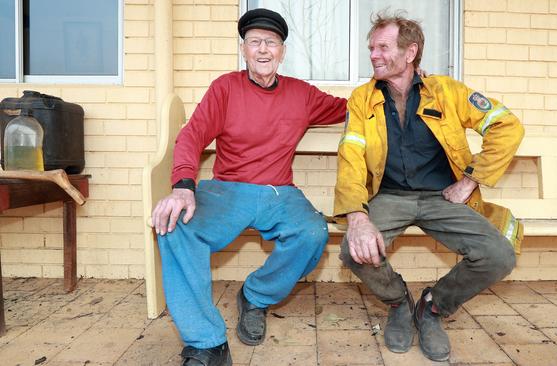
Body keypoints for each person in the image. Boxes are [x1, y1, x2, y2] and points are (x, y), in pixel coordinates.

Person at [151, 8, 347, 366]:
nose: (262, 50)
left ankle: (255, 296)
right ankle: (207, 342)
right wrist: (182, 185)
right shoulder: (225, 88)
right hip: (228, 189)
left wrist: (392, 86)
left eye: (270, 42)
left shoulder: (302, 95)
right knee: (173, 223)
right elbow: (191, 136)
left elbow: (352, 108)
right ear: (243, 48)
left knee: (313, 232)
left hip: (278, 193)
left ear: (282, 51)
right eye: (254, 41)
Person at [334, 12, 525, 362]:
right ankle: (398, 304)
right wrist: (358, 218)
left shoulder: (447, 91)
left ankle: (432, 308)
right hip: (389, 196)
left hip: (443, 197)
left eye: (382, 47)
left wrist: (470, 180)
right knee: (353, 250)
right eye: (371, 48)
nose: (373, 55)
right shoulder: (361, 99)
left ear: (410, 53)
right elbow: (350, 158)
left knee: (499, 255)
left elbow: (507, 125)